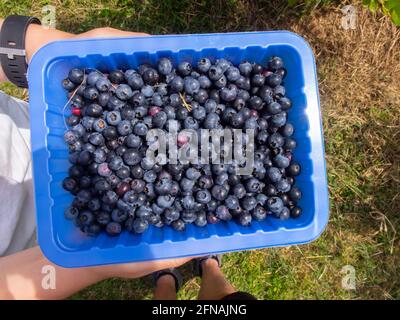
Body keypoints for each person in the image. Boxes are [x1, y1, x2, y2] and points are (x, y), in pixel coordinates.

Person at [0, 15, 255, 300]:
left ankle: (180, 276)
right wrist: (91, 266)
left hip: (33, 132)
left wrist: (37, 44)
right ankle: (198, 270)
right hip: (34, 248)